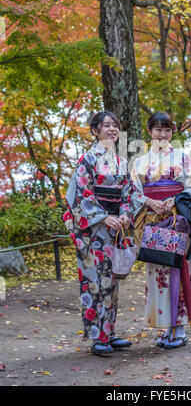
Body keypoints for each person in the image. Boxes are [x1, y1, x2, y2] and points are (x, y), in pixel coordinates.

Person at [130, 111, 191, 349]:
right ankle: (165, 329)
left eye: (167, 130)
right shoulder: (140, 162)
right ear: (150, 131)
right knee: (157, 274)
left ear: (172, 132)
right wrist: (148, 201)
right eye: (157, 129)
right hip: (152, 222)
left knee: (180, 271)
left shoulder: (183, 158)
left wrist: (176, 200)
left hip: (177, 222)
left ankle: (180, 330)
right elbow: (131, 191)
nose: (162, 134)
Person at [63, 111, 132, 356]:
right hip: (93, 230)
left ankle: (109, 333)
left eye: (115, 125)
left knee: (111, 281)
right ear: (95, 131)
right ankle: (97, 337)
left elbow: (127, 194)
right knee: (95, 281)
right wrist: (104, 216)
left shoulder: (122, 162)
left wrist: (124, 213)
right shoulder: (88, 159)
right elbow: (81, 194)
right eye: (106, 126)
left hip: (114, 227)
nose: (112, 130)